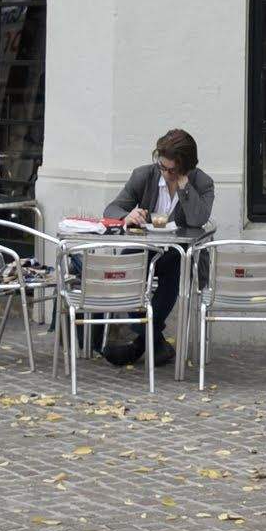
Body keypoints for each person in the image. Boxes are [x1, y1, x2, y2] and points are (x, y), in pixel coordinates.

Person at [97, 128, 212, 367]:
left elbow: (197, 220)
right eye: (163, 167)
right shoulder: (144, 176)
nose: (166, 173)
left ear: (186, 166)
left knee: (176, 264)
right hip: (146, 247)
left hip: (182, 253)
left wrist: (184, 186)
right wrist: (128, 215)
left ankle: (139, 345)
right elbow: (112, 209)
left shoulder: (202, 182)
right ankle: (155, 341)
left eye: (173, 169)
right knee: (126, 266)